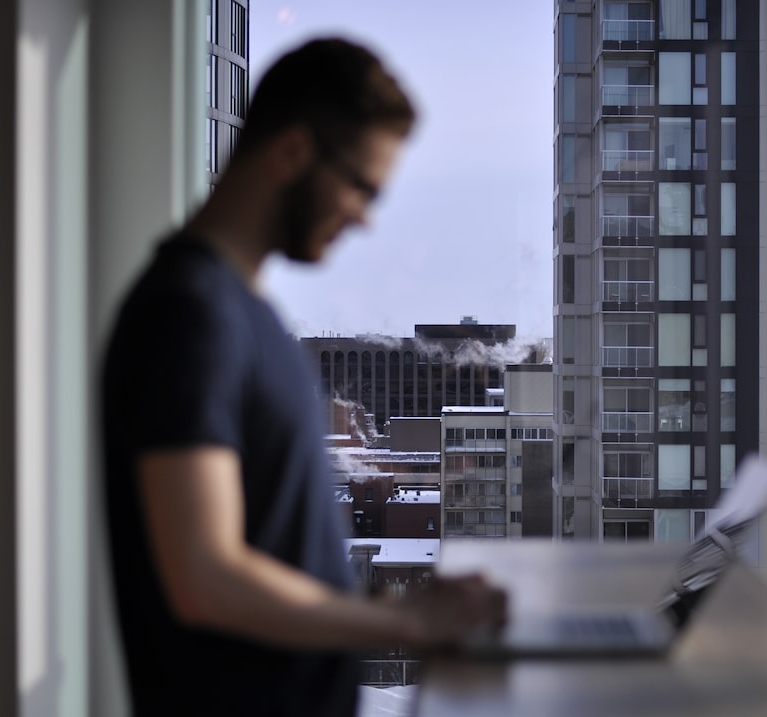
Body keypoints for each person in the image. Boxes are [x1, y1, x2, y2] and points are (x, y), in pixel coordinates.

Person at [102, 38, 506, 716]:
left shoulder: (245, 314)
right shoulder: (187, 314)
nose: (365, 217)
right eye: (360, 186)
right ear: (291, 152)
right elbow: (205, 575)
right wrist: (408, 623)